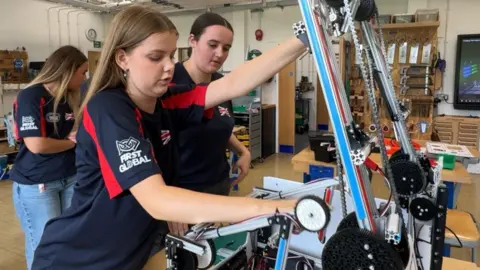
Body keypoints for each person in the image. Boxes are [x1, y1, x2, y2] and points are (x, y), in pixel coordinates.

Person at [32, 5, 308, 270]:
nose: (168, 66)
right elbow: (157, 199)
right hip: (77, 258)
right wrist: (273, 208)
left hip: (130, 253)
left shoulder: (165, 101)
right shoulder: (109, 108)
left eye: (172, 56)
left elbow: (233, 83)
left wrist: (305, 36)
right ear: (122, 58)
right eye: (156, 57)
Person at [11, 45, 87, 270]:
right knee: (44, 245)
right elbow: (37, 145)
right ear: (68, 70)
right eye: (82, 72)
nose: (85, 78)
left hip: (69, 177)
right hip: (39, 182)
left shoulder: (69, 97)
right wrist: (72, 143)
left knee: (68, 238)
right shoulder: (32, 96)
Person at [173, 13, 249, 196]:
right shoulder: (171, 81)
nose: (220, 54)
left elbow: (218, 125)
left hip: (219, 182)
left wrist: (242, 150)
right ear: (193, 40)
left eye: (226, 48)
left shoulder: (220, 83)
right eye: (213, 45)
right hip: (183, 190)